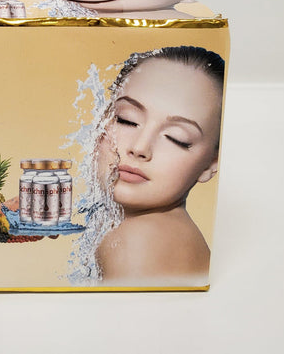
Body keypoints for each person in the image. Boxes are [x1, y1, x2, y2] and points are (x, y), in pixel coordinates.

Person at [96, 46, 224, 285]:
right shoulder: (168, 232)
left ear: (211, 163)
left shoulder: (138, 239)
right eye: (127, 120)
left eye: (177, 138)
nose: (140, 148)